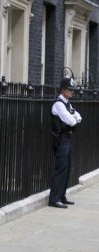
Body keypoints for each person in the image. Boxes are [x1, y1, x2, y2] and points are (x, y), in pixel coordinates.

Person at [48, 77, 82, 209]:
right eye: (70, 90)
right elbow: (72, 121)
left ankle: (61, 196)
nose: (72, 92)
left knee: (67, 168)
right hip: (61, 139)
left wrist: (74, 117)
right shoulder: (58, 104)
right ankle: (54, 199)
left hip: (67, 138)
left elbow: (79, 117)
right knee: (61, 168)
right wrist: (73, 117)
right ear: (63, 90)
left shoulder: (68, 104)